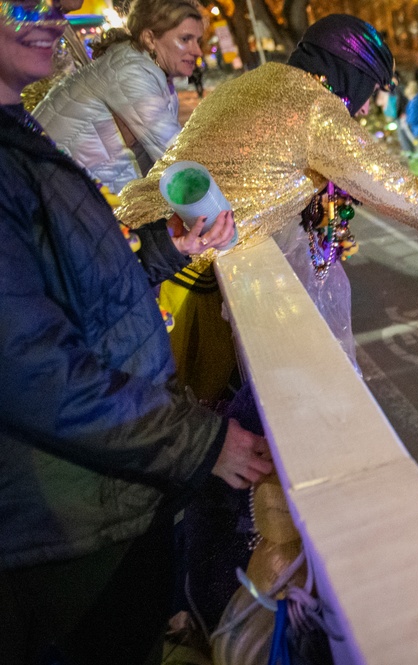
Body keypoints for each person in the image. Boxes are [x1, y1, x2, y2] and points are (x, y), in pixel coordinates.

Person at [0, 2, 273, 663]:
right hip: (71, 525)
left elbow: (59, 283)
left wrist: (159, 253)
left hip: (101, 496)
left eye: (56, 3)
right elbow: (29, 367)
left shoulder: (14, 129)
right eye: (23, 0)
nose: (51, 14)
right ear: (150, 37)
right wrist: (201, 440)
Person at [116, 14, 418, 380]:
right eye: (369, 90)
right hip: (182, 277)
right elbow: (402, 193)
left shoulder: (250, 83)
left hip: (132, 246)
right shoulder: (314, 110)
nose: (358, 109)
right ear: (352, 75)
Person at [33, 0, 205, 193]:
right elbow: (178, 160)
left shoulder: (147, 69)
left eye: (197, 40)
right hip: (56, 193)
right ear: (150, 39)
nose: (197, 51)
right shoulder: (131, 72)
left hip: (78, 191)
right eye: (184, 39)